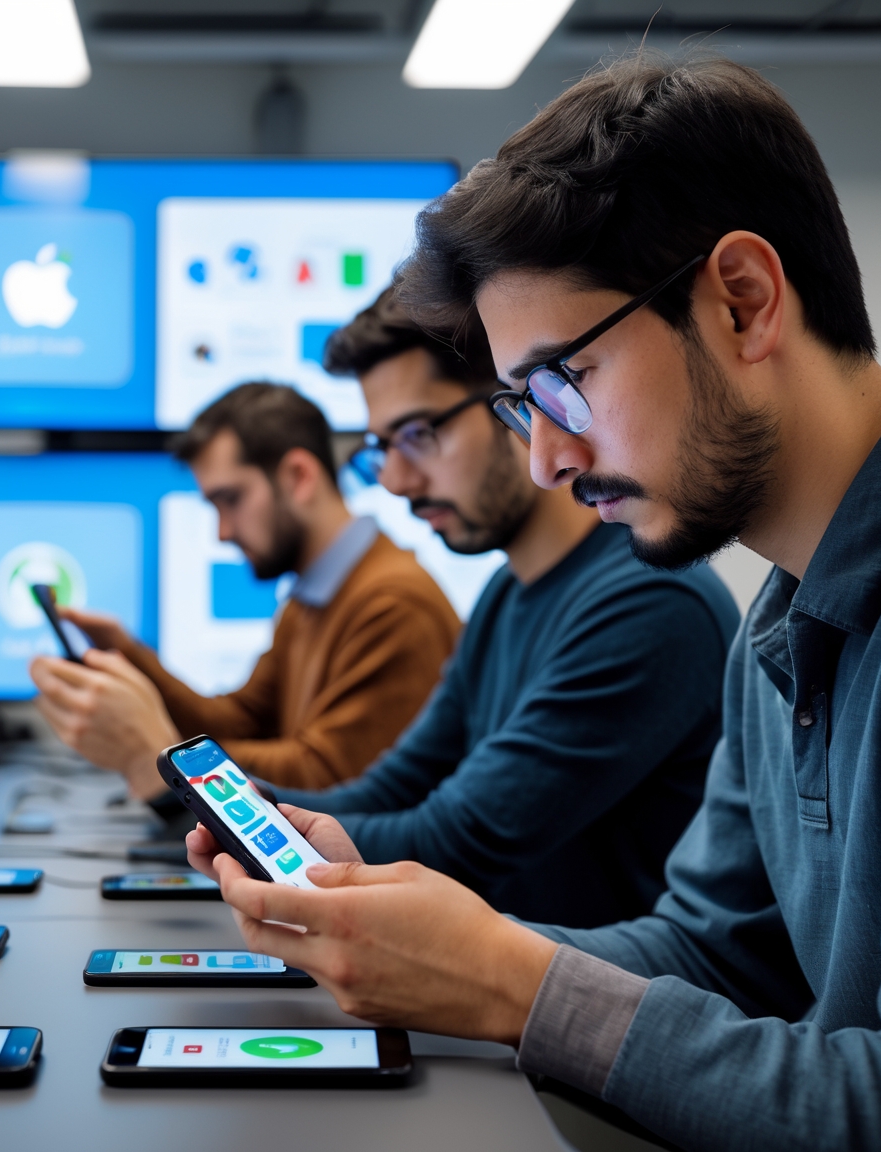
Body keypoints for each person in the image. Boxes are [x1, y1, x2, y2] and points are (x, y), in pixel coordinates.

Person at [186, 56, 881, 1152]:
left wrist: (511, 984)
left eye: (559, 383)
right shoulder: (787, 602)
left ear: (744, 299)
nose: (542, 460)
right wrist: (435, 943)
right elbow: (719, 952)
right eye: (515, 403)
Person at [253, 288, 739, 926]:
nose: (395, 481)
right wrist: (229, 806)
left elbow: (456, 841)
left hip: (597, 1013)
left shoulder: (652, 603)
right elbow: (393, 788)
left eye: (418, 434)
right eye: (384, 448)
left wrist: (220, 812)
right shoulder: (505, 595)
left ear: (517, 407)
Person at [29, 381, 460, 794]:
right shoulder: (317, 593)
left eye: (230, 499)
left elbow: (323, 777)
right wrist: (130, 658)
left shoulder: (393, 604)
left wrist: (152, 754)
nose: (222, 532)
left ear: (299, 476)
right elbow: (243, 721)